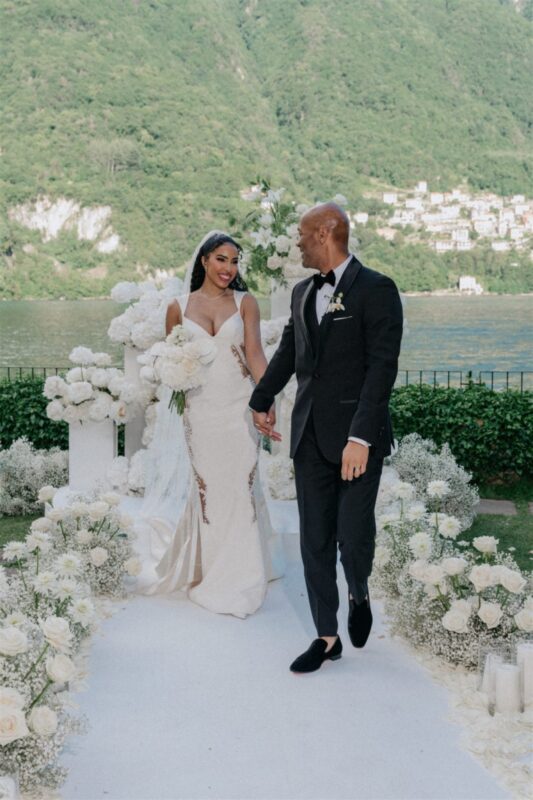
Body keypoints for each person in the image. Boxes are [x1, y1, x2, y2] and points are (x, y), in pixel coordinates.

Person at [249, 203, 403, 672]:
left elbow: (382, 369)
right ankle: (326, 636)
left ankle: (358, 590)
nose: (296, 242)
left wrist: (361, 438)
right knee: (314, 540)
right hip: (309, 436)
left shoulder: (377, 289)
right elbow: (289, 354)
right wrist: (260, 399)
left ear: (326, 232)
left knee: (353, 537)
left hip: (357, 438)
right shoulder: (301, 293)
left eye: (301, 234)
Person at [136, 231, 283, 618]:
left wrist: (265, 399)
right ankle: (213, 571)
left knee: (240, 487)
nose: (228, 269)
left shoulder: (245, 302)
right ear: (204, 260)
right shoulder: (177, 308)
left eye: (234, 262)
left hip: (238, 408)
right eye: (221, 259)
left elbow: (254, 352)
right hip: (200, 413)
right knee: (211, 492)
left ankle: (243, 579)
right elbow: (171, 362)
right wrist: (174, 374)